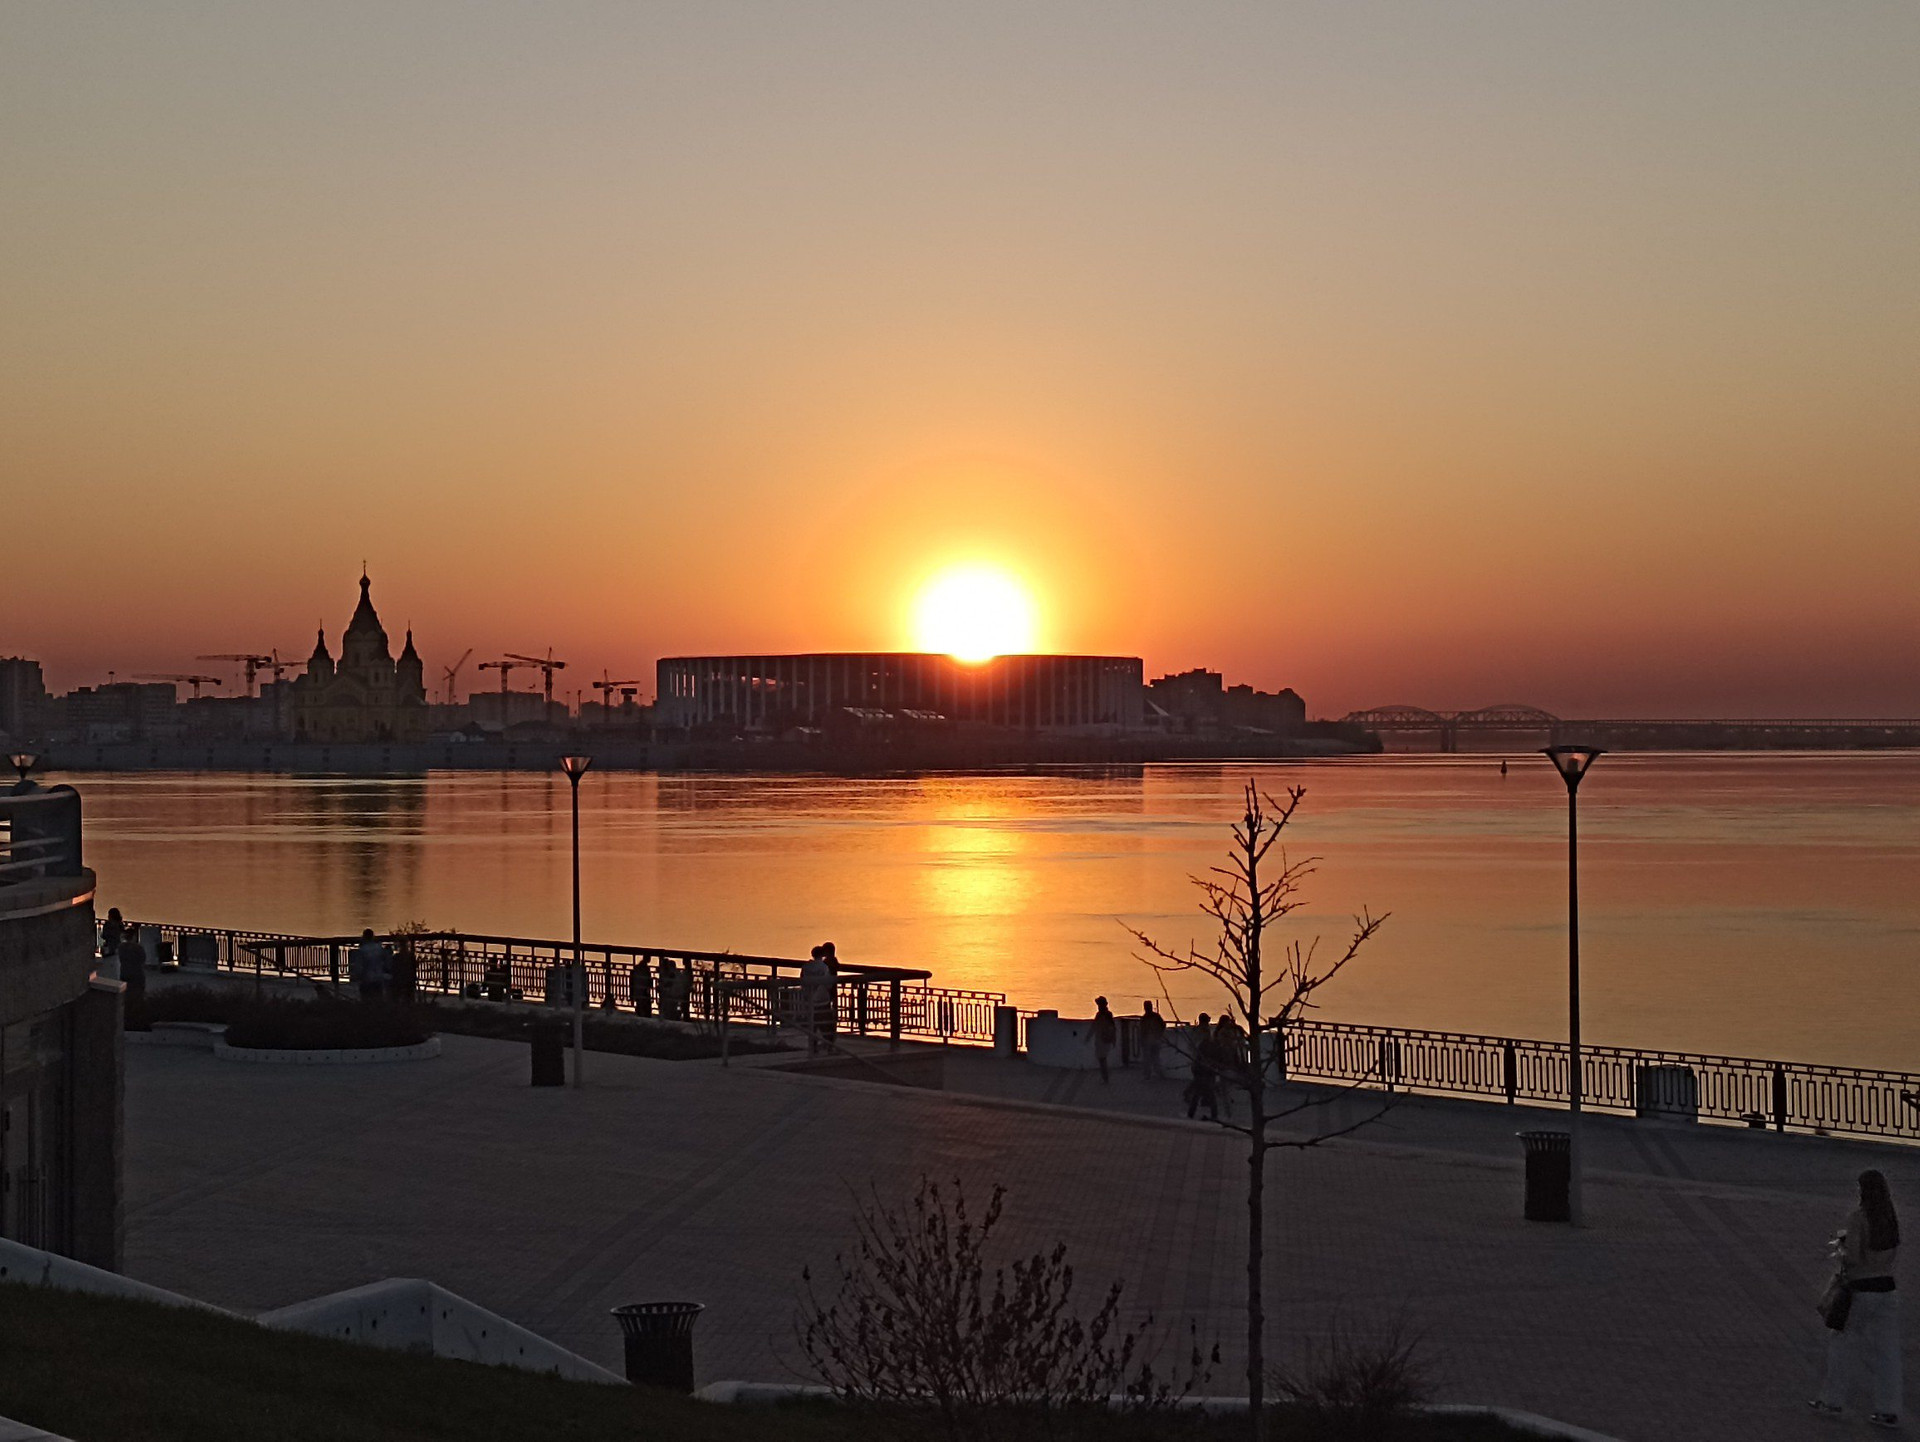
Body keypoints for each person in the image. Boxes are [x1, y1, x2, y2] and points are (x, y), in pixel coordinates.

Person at [1813, 1169, 1902, 1426]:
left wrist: (1840, 1248)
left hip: (1861, 1290)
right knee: (1887, 1352)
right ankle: (1888, 1409)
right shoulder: (1890, 1218)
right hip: (1887, 1289)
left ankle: (1832, 1400)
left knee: (1842, 1345)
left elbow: (1853, 1258)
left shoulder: (1858, 1217)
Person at [1184, 1013, 1219, 1121]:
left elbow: (1191, 1044)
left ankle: (1192, 1111)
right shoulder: (1205, 1033)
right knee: (1206, 1090)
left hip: (1200, 1063)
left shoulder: (1196, 1031)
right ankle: (1212, 1113)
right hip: (1204, 1065)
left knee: (1200, 1089)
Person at [116, 926, 148, 1017]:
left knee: (126, 995)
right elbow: (143, 959)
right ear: (134, 936)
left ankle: (127, 1013)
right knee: (138, 995)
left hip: (125, 973)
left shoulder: (121, 947)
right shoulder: (138, 948)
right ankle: (137, 1014)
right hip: (137, 974)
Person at [350, 928, 387, 1001]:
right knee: (378, 1000)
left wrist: (355, 976)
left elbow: (359, 967)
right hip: (378, 978)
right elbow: (385, 963)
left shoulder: (362, 950)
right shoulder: (379, 949)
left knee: (367, 1001)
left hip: (367, 980)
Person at [1090, 996, 1117, 1083]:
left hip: (1104, 1040)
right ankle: (1105, 1077)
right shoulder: (1103, 1014)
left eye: (1099, 1004)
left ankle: (1105, 1078)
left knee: (1102, 1059)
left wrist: (1113, 1038)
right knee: (1102, 1059)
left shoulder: (1104, 1015)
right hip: (1102, 1040)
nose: (1098, 1006)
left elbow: (1112, 1027)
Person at [1139, 1001, 1167, 1080]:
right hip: (1154, 1040)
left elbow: (1142, 1031)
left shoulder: (1144, 1018)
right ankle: (1158, 1073)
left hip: (1150, 1040)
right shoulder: (1155, 1016)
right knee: (1155, 1058)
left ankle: (1149, 1074)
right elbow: (1163, 1025)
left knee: (1149, 1058)